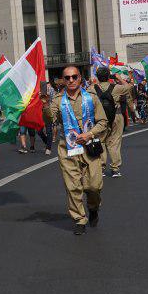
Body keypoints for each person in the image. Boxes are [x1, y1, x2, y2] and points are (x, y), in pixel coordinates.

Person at [44, 65, 107, 236]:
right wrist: (44, 104)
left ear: (80, 78)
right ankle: (79, 219)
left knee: (94, 186)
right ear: (62, 80)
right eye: (67, 78)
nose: (71, 80)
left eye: (74, 77)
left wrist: (89, 134)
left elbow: (103, 122)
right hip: (68, 149)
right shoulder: (57, 100)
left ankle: (93, 207)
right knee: (73, 186)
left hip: (90, 147)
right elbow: (50, 118)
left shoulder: (91, 98)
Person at [96, 66, 129, 178]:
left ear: (97, 77)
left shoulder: (92, 88)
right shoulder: (116, 88)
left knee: (101, 141)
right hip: (116, 115)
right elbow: (129, 87)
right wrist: (119, 78)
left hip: (100, 117)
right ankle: (115, 168)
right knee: (115, 142)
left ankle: (101, 167)